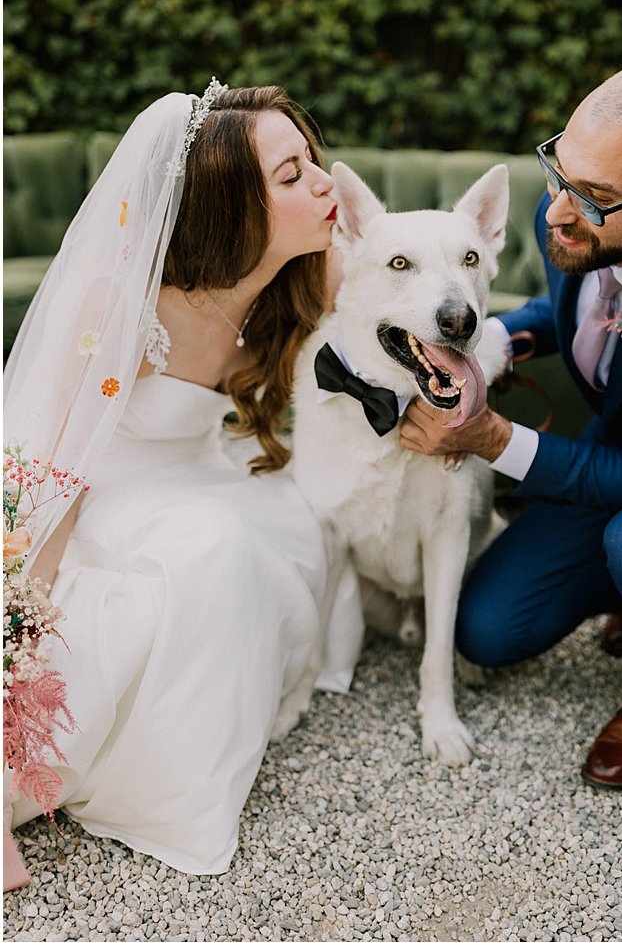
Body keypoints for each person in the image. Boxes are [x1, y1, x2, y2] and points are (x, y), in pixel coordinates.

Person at [3, 80, 362, 874]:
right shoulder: (125, 301)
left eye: (313, 161)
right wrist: (24, 605)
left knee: (286, 524)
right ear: (232, 206)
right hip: (103, 491)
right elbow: (53, 466)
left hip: (211, 470)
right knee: (206, 554)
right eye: (292, 175)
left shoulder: (318, 274)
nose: (326, 182)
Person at [400, 63, 622, 789]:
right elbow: (569, 319)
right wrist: (490, 346)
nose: (558, 209)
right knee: (486, 632)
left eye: (594, 198)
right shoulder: (570, 208)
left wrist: (488, 436)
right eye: (559, 169)